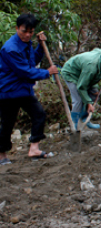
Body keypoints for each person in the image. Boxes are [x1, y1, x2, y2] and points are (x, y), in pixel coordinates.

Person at [0, 14, 59, 164]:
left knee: (39, 114)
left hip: (24, 89)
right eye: (24, 31)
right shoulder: (10, 48)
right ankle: (1, 155)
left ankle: (34, 148)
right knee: (7, 123)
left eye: (31, 32)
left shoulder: (26, 44)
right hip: (9, 91)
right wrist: (47, 72)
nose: (27, 35)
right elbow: (24, 71)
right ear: (17, 28)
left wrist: (40, 45)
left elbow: (32, 62)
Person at [61, 47, 101, 130]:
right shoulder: (91, 68)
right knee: (78, 100)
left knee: (94, 94)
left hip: (84, 73)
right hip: (72, 73)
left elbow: (96, 49)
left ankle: (84, 119)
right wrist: (89, 103)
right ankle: (74, 125)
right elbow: (81, 87)